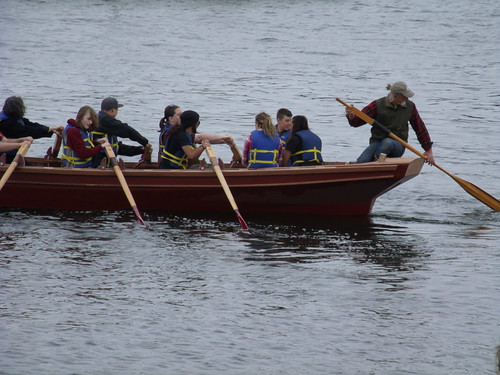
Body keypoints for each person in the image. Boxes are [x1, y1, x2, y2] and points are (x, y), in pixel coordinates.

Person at [345, 81, 435, 164]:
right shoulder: (378, 104)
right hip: (376, 142)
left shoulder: (410, 107)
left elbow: (420, 128)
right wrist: (351, 116)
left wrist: (428, 150)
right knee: (362, 161)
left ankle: (375, 164)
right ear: (395, 95)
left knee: (387, 142)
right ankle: (367, 167)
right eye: (404, 96)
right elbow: (356, 122)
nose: (406, 98)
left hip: (398, 144)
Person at [158, 104, 236, 162]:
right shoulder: (174, 133)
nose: (182, 117)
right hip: (170, 167)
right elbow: (199, 139)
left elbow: (201, 138)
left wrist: (225, 140)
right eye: (179, 115)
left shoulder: (180, 131)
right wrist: (203, 146)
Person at [92, 97, 152, 167]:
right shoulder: (104, 120)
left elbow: (118, 148)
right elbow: (126, 130)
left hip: (108, 164)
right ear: (112, 110)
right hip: (99, 165)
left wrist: (140, 150)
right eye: (117, 109)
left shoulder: (104, 122)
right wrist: (145, 142)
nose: (117, 112)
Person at [0, 96, 63, 162]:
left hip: (11, 154)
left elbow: (31, 125)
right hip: (4, 156)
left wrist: (49, 129)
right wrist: (20, 143)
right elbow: (28, 131)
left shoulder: (15, 119)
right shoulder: (6, 123)